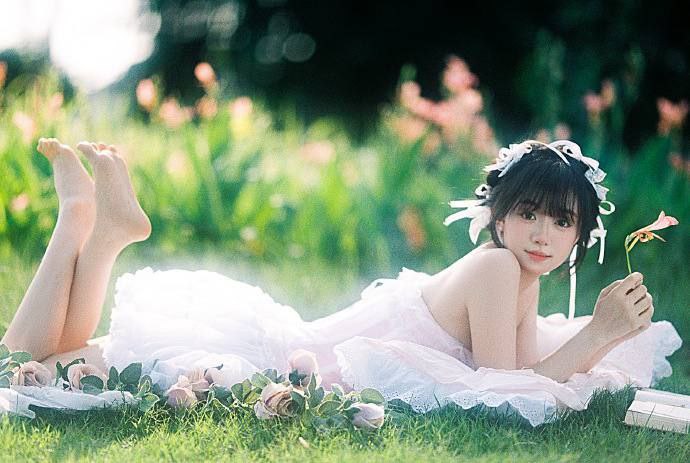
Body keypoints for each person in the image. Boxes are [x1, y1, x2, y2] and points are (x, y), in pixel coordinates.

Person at [1, 138, 681, 426]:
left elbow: (525, 373)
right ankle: (82, 222)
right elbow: (502, 387)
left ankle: (92, 226)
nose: (541, 232)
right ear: (499, 219)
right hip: (282, 356)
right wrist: (596, 333)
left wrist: (600, 336)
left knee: (49, 355)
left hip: (297, 346)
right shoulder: (498, 266)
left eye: (560, 221)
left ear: (579, 235)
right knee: (23, 363)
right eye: (528, 213)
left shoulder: (515, 277)